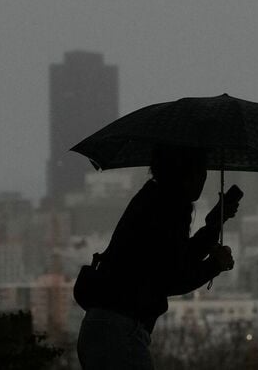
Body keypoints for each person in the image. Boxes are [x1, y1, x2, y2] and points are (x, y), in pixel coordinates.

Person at [77, 144, 240, 370]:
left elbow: (175, 261)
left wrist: (214, 225)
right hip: (120, 331)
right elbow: (173, 278)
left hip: (105, 326)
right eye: (199, 172)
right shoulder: (169, 207)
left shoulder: (153, 199)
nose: (203, 179)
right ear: (184, 174)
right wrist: (214, 265)